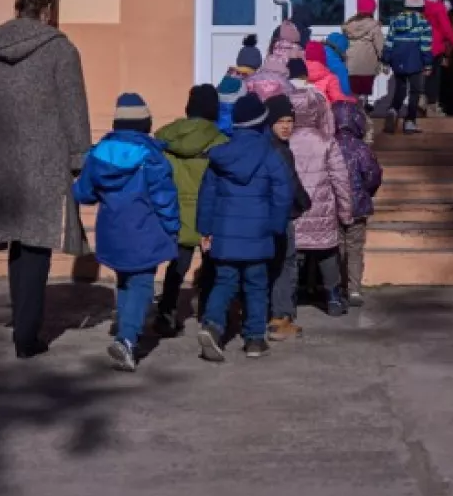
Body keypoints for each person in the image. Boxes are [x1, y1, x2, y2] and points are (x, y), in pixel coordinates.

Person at [0, 0, 91, 360]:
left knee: (18, 243)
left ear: (18, 6)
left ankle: (23, 322)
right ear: (48, 10)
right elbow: (73, 107)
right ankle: (27, 335)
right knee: (36, 245)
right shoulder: (60, 49)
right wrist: (78, 155)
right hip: (44, 159)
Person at [72, 93, 180, 372]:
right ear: (146, 124)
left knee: (124, 281)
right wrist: (173, 228)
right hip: (144, 231)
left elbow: (83, 193)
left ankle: (125, 328)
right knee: (142, 285)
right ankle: (128, 339)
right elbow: (164, 199)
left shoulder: (97, 154)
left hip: (112, 230)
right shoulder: (152, 158)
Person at [195, 93, 294, 362]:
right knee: (256, 285)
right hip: (259, 233)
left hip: (225, 233)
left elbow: (207, 196)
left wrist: (205, 230)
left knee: (224, 281)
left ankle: (213, 326)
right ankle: (253, 339)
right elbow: (283, 193)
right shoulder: (270, 155)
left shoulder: (220, 156)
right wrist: (274, 227)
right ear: (261, 123)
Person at [152, 85, 228, 338]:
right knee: (212, 267)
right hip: (211, 213)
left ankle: (167, 312)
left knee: (177, 266)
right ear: (214, 110)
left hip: (176, 211)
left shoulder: (167, 139)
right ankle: (208, 315)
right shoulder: (221, 141)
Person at [289, 88, 356, 317]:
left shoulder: (284, 142)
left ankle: (289, 299)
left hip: (294, 209)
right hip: (323, 209)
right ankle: (334, 298)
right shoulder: (327, 143)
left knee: (293, 254)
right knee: (327, 252)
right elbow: (340, 180)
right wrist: (346, 213)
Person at [265, 94, 310, 341]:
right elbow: (290, 184)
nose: (286, 126)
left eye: (290, 120)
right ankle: (280, 317)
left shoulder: (272, 145)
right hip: (280, 216)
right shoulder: (278, 150)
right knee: (285, 263)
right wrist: (305, 203)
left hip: (268, 215)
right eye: (281, 121)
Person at [332, 102, 382, 308]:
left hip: (334, 205)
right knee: (354, 248)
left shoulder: (329, 144)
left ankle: (336, 286)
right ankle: (353, 289)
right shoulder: (362, 148)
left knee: (335, 248)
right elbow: (373, 174)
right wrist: (366, 192)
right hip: (357, 205)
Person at [384, 0, 433, 135]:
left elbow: (389, 42)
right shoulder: (424, 24)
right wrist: (428, 63)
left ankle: (393, 110)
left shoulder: (395, 21)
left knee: (400, 88)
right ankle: (410, 121)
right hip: (415, 60)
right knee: (415, 90)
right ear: (420, 7)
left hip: (397, 60)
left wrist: (386, 60)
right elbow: (425, 45)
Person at [421, 0, 453, 117]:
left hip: (422, 45)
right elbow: (446, 28)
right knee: (434, 77)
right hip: (435, 47)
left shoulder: (422, 5)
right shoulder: (438, 8)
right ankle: (432, 107)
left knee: (424, 75)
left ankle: (421, 100)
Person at [343, 0, 386, 110]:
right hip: (368, 66)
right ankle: (363, 111)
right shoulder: (374, 26)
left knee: (354, 91)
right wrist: (385, 58)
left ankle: (354, 110)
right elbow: (380, 45)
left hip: (351, 65)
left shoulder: (349, 26)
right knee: (365, 91)